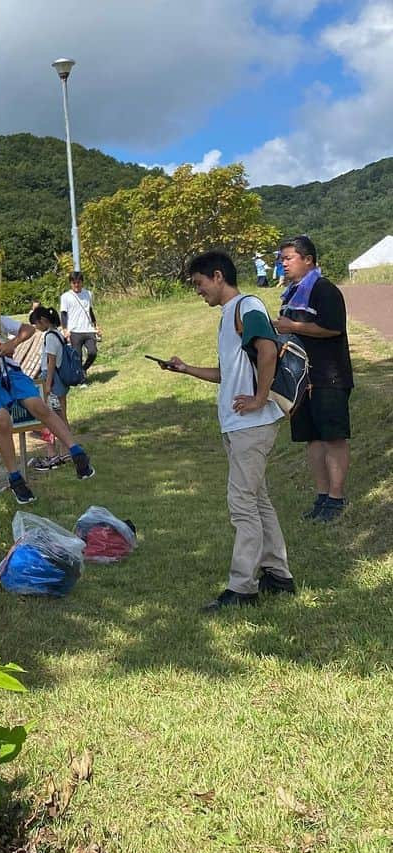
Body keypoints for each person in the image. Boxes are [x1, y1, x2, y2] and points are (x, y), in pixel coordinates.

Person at [164, 250, 294, 610]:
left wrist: (259, 397)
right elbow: (227, 374)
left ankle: (243, 588)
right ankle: (278, 575)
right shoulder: (229, 316)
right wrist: (186, 369)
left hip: (251, 426)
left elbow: (267, 350)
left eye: (199, 283)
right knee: (257, 500)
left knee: (242, 505)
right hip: (239, 426)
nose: (198, 290)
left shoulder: (247, 306)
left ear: (218, 276)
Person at [0, 282, 95, 501]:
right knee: (2, 421)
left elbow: (27, 329)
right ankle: (15, 479)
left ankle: (76, 452)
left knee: (40, 407)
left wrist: (13, 343)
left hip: (14, 374)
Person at [274, 235, 353, 522]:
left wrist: (292, 325)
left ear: (308, 259)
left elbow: (332, 328)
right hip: (301, 380)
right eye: (281, 258)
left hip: (328, 376)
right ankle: (322, 497)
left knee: (333, 437)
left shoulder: (324, 289)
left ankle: (336, 498)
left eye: (288, 258)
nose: (283, 263)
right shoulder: (293, 292)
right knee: (312, 439)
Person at [30, 305, 71, 424]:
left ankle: (62, 437)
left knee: (56, 413)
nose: (36, 327)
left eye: (36, 324)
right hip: (59, 375)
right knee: (61, 412)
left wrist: (47, 384)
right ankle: (67, 438)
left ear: (42, 321)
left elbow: (51, 361)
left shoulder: (50, 337)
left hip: (52, 377)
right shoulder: (57, 333)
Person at [59, 270, 101, 372]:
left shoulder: (88, 294)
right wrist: (65, 329)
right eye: (74, 283)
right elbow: (63, 314)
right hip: (74, 331)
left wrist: (96, 325)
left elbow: (90, 311)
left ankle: (83, 369)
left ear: (82, 282)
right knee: (77, 356)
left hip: (88, 329)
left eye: (79, 282)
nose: (76, 285)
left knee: (93, 352)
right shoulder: (65, 297)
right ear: (70, 283)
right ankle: (80, 378)